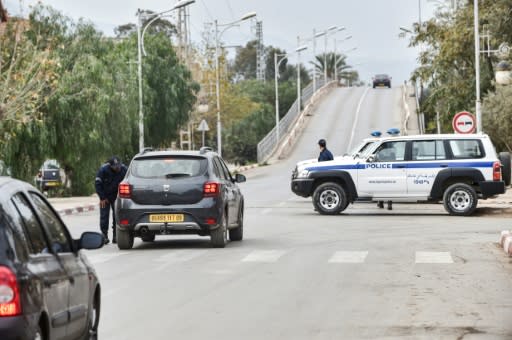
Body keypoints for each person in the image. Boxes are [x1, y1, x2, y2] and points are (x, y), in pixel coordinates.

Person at [95, 156, 127, 244]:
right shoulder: (103, 170)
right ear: (110, 165)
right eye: (115, 166)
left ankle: (116, 236)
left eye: (118, 165)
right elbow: (98, 184)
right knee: (104, 216)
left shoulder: (124, 169)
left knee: (116, 216)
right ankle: (104, 235)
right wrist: (102, 197)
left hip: (117, 197)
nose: (117, 168)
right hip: (105, 196)